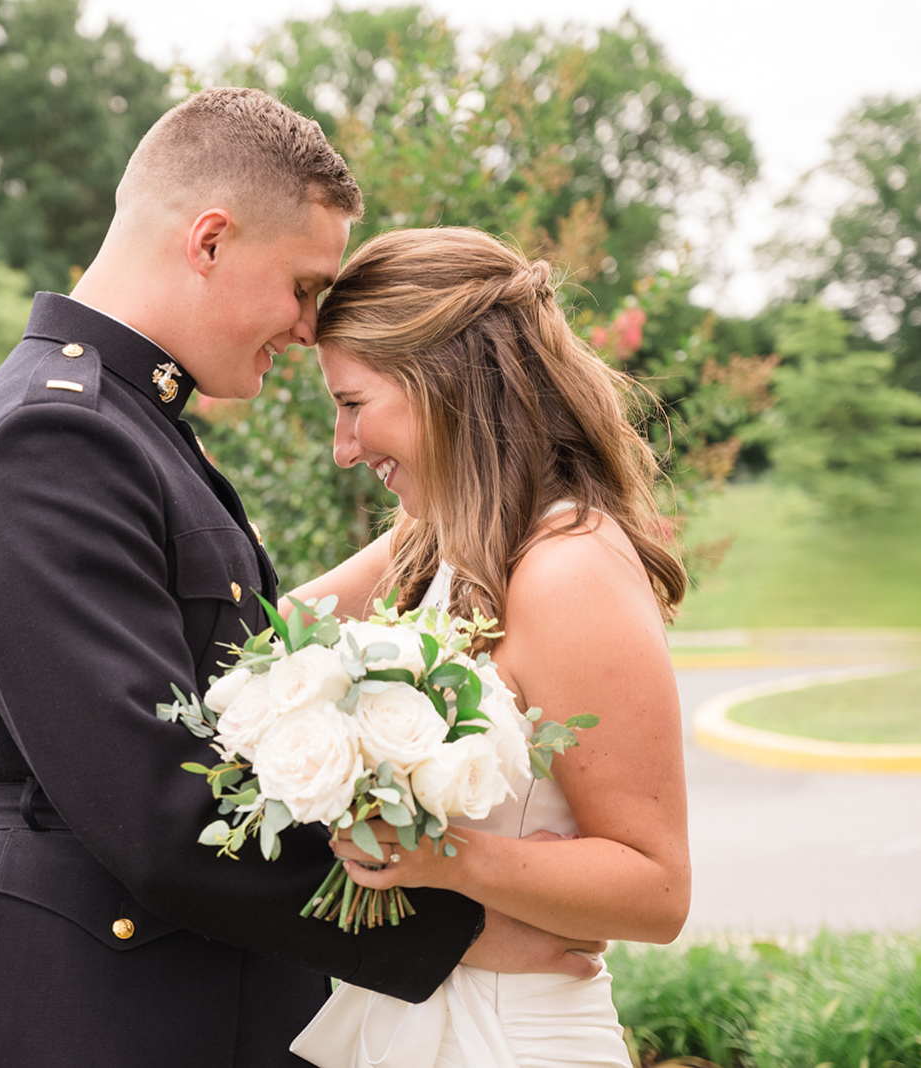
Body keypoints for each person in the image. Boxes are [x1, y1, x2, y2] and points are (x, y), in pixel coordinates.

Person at [0, 89, 597, 1068]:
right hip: (101, 1023)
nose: (311, 330)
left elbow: (236, 678)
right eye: (305, 286)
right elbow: (164, 813)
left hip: (177, 1008)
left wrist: (460, 515)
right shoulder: (53, 439)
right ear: (209, 242)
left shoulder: (126, 430)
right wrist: (463, 934)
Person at [285, 226, 692, 1067]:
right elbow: (261, 643)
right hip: (409, 1020)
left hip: (508, 1038)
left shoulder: (569, 570)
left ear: (445, 384)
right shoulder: (431, 538)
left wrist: (446, 858)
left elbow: (656, 888)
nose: (344, 448)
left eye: (354, 404)